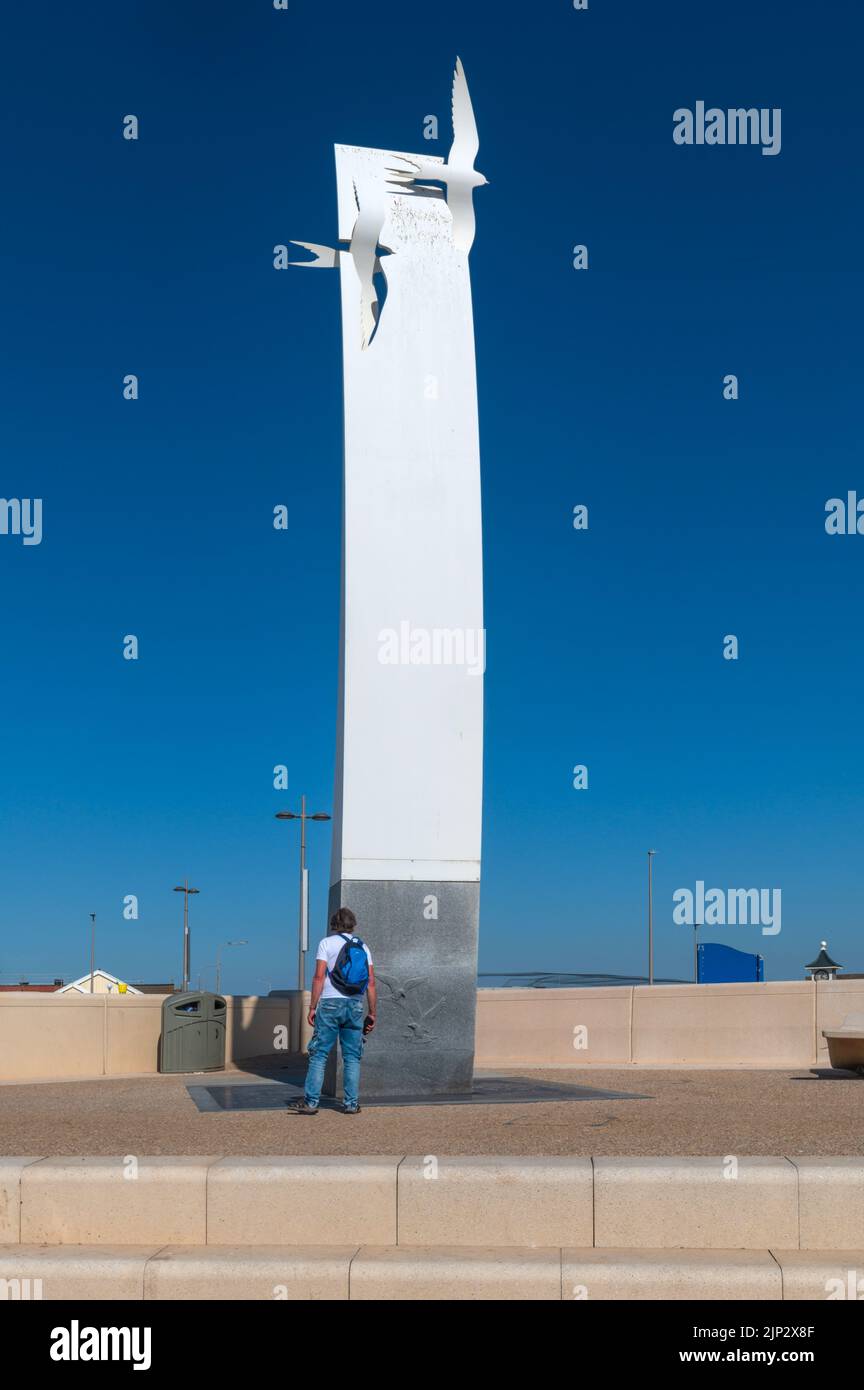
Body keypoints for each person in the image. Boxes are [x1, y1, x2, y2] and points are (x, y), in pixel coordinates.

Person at [288, 906, 376, 1115]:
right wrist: (372, 1012)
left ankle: (311, 1103)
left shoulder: (326, 943)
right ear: (352, 924)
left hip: (329, 1003)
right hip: (354, 1005)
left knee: (319, 1055)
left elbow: (319, 976)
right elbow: (371, 983)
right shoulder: (363, 947)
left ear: (334, 924)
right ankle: (351, 1104)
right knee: (352, 1058)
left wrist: (312, 1006)